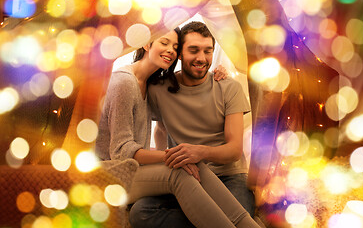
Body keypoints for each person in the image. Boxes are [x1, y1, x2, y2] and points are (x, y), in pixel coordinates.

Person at [95, 27, 261, 228]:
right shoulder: (132, 84)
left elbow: (161, 129)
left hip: (226, 175)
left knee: (189, 163)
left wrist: (189, 153)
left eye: (207, 51)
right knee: (152, 201)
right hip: (114, 170)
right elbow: (121, 150)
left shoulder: (150, 84)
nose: (170, 51)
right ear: (147, 44)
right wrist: (174, 155)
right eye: (164, 43)